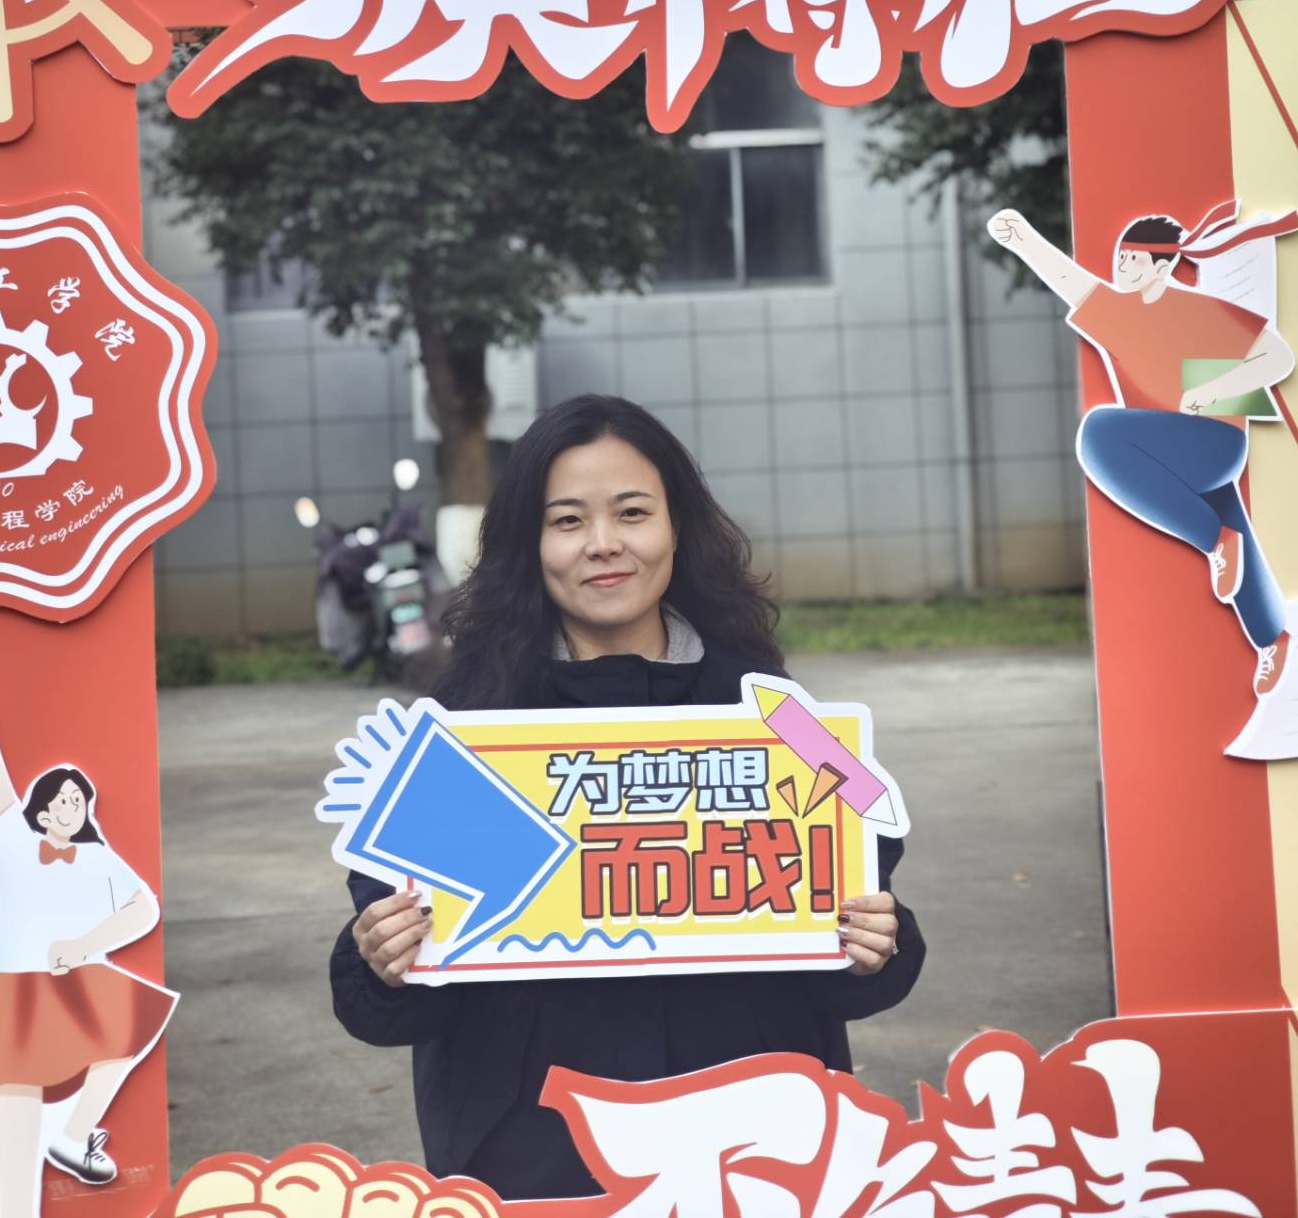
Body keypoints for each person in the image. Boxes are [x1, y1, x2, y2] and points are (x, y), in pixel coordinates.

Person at [329, 394, 924, 1201]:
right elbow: (390, 995)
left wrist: (878, 944)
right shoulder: (465, 729)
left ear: (678, 526)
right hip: (532, 1154)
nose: (603, 543)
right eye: (567, 520)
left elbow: (859, 907)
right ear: (528, 542)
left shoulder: (776, 716)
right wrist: (381, 963)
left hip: (750, 1146)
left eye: (633, 512)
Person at [988, 203, 1297, 702]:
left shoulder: (1201, 310)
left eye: (1132, 260)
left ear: (1163, 266)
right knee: (1235, 530)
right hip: (1165, 454)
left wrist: (1217, 389)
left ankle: (1213, 540)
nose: (1121, 268)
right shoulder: (1117, 314)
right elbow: (1067, 279)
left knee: (1099, 432)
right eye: (1119, 258)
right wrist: (1021, 239)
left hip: (1212, 444)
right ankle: (1271, 640)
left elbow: (1278, 355)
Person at [0, 689, 176, 1218]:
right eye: (62, 798)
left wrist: (86, 946)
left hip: (81, 977)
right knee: (16, 1103)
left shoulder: (97, 857)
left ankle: (73, 1136)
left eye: (78, 800)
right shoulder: (14, 845)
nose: (71, 806)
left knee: (128, 1033)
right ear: (40, 808)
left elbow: (144, 908)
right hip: (17, 985)